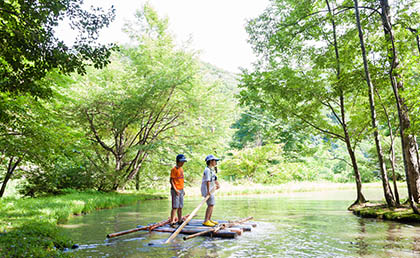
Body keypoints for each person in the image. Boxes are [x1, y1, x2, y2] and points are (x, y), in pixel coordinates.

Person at [201, 154, 220, 227]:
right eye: (214, 161)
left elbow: (214, 178)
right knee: (211, 204)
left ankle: (209, 219)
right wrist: (208, 191)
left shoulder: (211, 169)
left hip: (211, 189)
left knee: (211, 204)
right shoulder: (207, 170)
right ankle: (206, 220)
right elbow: (207, 181)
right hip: (207, 189)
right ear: (210, 161)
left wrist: (218, 184)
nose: (215, 162)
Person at [170, 154, 187, 227]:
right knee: (175, 206)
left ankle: (180, 220)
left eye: (183, 162)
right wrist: (175, 189)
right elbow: (171, 181)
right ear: (177, 161)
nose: (182, 163)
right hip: (175, 190)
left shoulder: (181, 169)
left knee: (180, 206)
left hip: (181, 189)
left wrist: (183, 190)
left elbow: (181, 180)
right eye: (181, 161)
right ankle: (172, 220)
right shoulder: (174, 169)